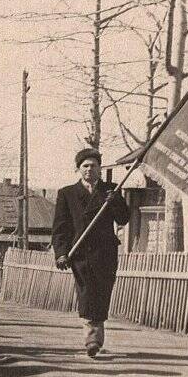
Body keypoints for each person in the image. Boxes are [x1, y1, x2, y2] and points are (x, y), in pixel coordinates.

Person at [51, 148, 129, 358]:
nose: (89, 169)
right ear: (78, 169)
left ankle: (95, 336)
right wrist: (60, 253)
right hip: (80, 252)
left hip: (105, 252)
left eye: (93, 165)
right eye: (85, 165)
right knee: (86, 293)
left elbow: (123, 219)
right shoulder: (66, 193)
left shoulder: (111, 190)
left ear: (100, 168)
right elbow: (60, 226)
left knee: (102, 292)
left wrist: (116, 202)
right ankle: (92, 339)